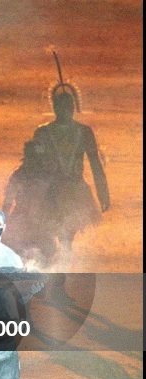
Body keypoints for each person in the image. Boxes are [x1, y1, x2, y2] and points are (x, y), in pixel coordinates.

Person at [30, 81, 110, 259]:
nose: (67, 110)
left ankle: (65, 253)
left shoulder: (83, 132)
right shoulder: (44, 132)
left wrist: (103, 192)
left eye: (69, 106)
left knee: (66, 231)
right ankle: (61, 256)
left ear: (74, 106)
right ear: (55, 107)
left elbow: (95, 163)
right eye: (62, 106)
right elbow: (33, 164)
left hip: (71, 190)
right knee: (57, 229)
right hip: (55, 190)